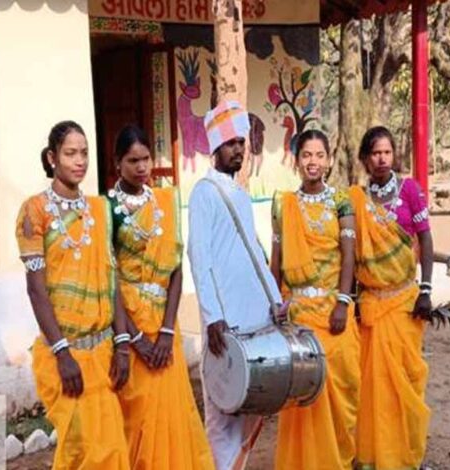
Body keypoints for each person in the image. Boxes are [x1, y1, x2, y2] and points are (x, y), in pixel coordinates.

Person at [15, 121, 130, 469]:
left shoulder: (100, 210)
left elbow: (112, 279)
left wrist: (122, 344)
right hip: (63, 356)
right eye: (70, 154)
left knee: (111, 450)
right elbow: (36, 289)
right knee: (83, 450)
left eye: (84, 153)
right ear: (52, 158)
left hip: (103, 353)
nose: (80, 161)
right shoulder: (34, 211)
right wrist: (63, 353)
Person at [107, 125, 214, 470]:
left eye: (146, 159)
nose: (141, 167)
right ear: (117, 163)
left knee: (172, 415)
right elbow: (108, 279)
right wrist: (134, 338)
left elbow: (176, 269)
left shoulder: (164, 203)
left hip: (164, 326)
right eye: (132, 160)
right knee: (137, 417)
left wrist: (168, 331)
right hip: (127, 323)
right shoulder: (106, 209)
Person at [187, 100, 285, 470]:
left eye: (241, 142)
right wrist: (212, 316)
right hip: (224, 320)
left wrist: (275, 300)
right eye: (230, 144)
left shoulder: (240, 194)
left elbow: (255, 254)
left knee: (252, 400)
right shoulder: (204, 193)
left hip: (255, 315)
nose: (238, 150)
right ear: (215, 148)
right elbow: (199, 257)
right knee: (222, 406)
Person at [269, 130, 361, 470]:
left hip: (333, 314)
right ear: (296, 161)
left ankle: (337, 461)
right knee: (302, 400)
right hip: (298, 318)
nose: (313, 162)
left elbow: (348, 256)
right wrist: (274, 302)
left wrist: (342, 303)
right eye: (306, 155)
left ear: (329, 160)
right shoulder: (283, 204)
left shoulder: (341, 201)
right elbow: (277, 260)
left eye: (319, 155)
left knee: (342, 392)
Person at [351, 126, 434, 470]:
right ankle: (373, 457)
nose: (382, 159)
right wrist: (350, 300)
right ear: (365, 158)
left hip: (404, 302)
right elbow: (350, 253)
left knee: (405, 382)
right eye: (375, 153)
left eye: (387, 152)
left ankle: (406, 456)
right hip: (370, 305)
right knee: (372, 385)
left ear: (394, 155)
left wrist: (426, 289)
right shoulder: (356, 200)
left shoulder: (410, 190)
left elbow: (425, 239)